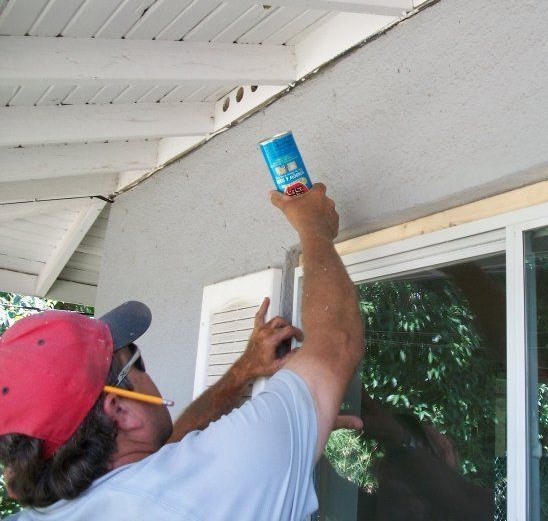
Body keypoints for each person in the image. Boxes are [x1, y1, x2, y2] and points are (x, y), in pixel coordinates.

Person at [0, 184, 365, 520]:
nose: (147, 371)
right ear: (119, 409)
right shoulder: (213, 485)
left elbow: (162, 464)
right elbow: (334, 345)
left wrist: (245, 370)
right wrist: (314, 228)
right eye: (135, 362)